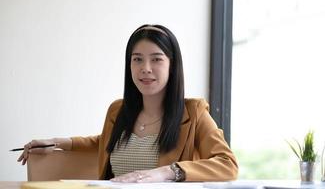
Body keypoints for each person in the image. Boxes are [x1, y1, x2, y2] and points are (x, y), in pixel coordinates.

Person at [18, 24, 238, 182]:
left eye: (156, 59)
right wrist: (56, 142)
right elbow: (105, 142)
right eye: (137, 59)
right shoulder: (118, 110)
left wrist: (167, 172)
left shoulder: (194, 113)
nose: (146, 68)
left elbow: (227, 164)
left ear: (172, 65)